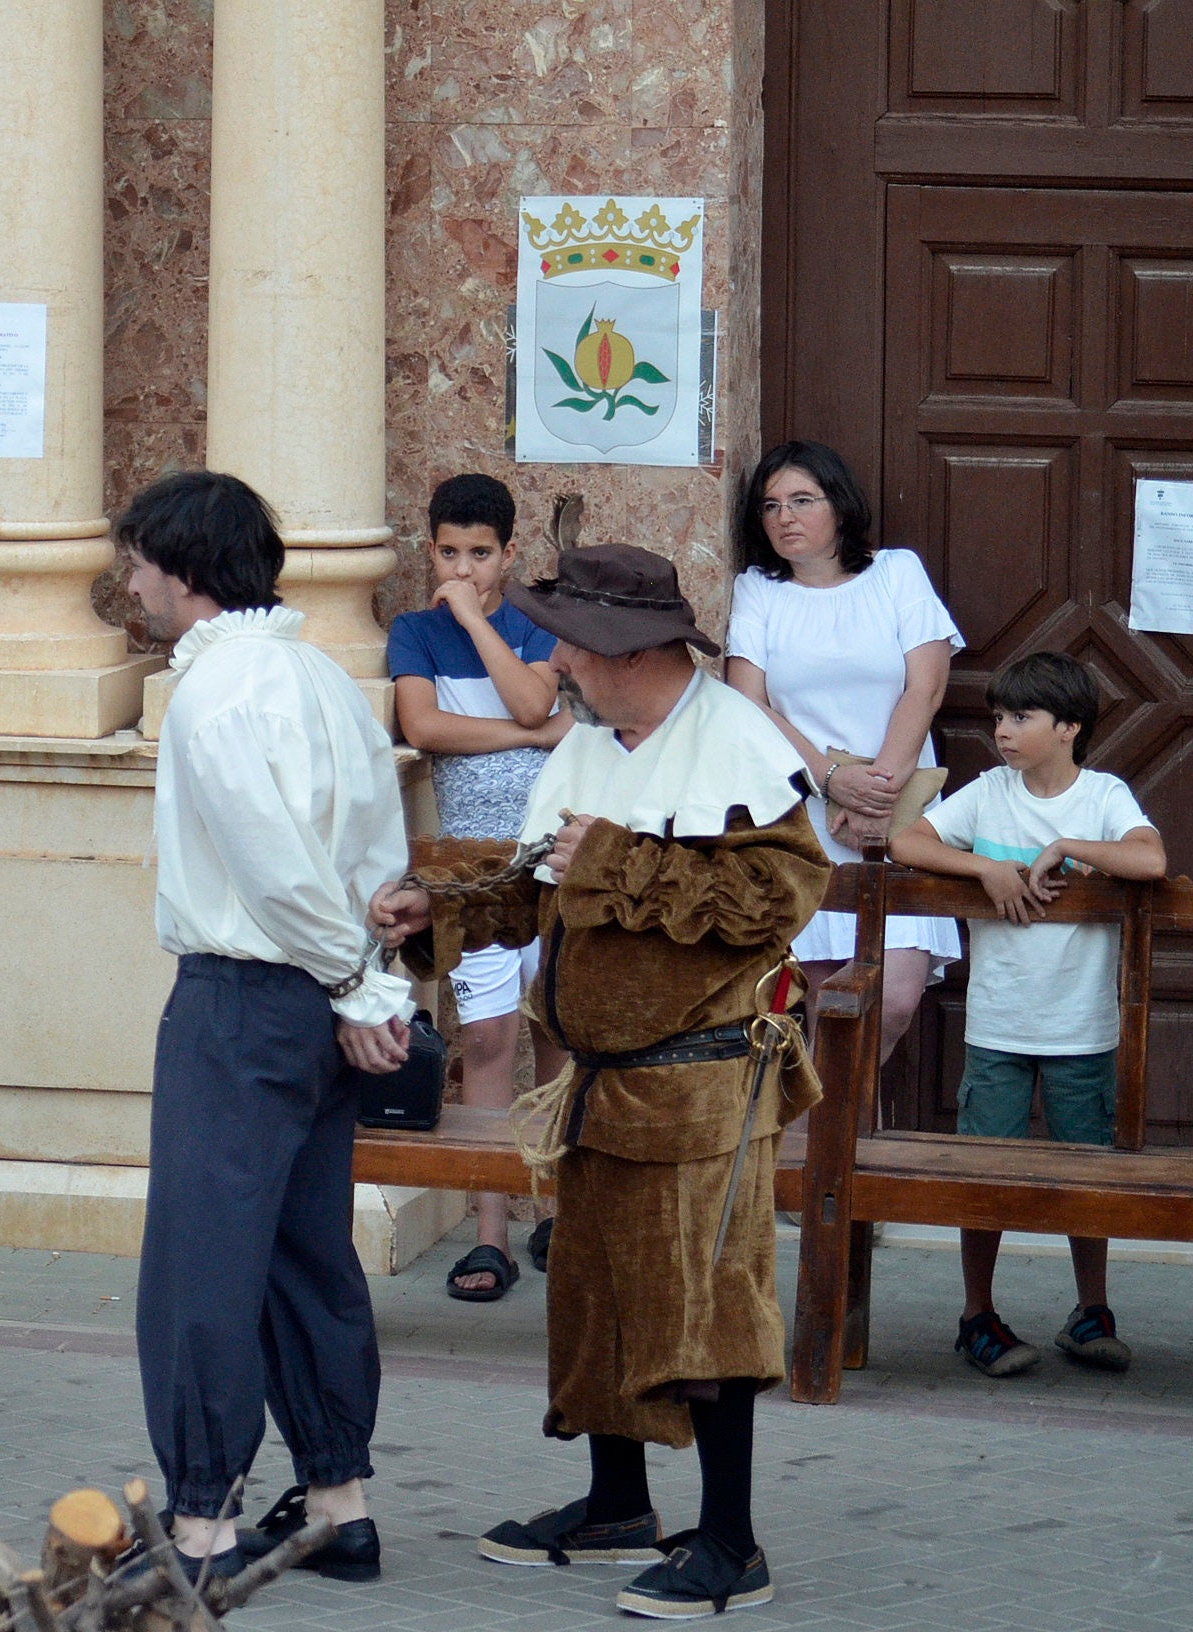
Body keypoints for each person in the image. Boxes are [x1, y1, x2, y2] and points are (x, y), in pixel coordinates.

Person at [374, 545, 830, 1619]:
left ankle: (731, 1543)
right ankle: (616, 1505)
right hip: (604, 1084)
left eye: (574, 639)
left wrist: (618, 862)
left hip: (709, 1084)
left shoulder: (735, 742)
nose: (560, 658)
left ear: (633, 651)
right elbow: (536, 891)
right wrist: (436, 908)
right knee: (597, 1297)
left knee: (704, 1309)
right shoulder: (588, 745)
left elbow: (776, 898)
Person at [119, 470, 410, 1588]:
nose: (131, 580)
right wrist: (369, 985)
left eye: (140, 560)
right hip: (323, 999)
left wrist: (352, 977)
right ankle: (339, 1501)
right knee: (304, 1253)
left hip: (247, 999)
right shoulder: (324, 677)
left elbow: (271, 861)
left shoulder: (215, 692)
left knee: (202, 1263)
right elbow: (374, 847)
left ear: (185, 570)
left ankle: (201, 1526)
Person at [889, 653, 1163, 1380]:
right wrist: (983, 866)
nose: (1003, 731)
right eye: (1000, 717)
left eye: (1021, 718)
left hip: (1083, 1031)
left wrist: (1068, 847)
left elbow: (1151, 861)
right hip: (999, 1029)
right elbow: (905, 839)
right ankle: (976, 1314)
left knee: (1089, 1178)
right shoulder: (988, 795)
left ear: (1069, 727)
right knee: (985, 1176)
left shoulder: (1104, 796)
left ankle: (1091, 1310)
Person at [386, 473, 571, 1300]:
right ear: (429, 549)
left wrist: (478, 620)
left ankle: (558, 1212)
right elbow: (424, 728)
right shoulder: (415, 630)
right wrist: (527, 732)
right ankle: (489, 1233)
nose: (464, 570)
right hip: (468, 869)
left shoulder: (535, 624)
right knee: (489, 1041)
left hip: (555, 862)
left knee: (562, 1031)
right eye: (449, 553)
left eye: (481, 555)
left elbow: (535, 695)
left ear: (511, 551)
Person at [723, 440, 962, 1064]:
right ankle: (836, 1149)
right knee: (823, 1002)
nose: (785, 517)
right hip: (806, 815)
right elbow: (748, 704)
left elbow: (927, 684)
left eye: (803, 500)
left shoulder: (896, 572)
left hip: (893, 808)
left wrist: (875, 793)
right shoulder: (759, 590)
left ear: (840, 505)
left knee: (895, 997)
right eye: (771, 505)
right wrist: (831, 781)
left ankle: (841, 1142)